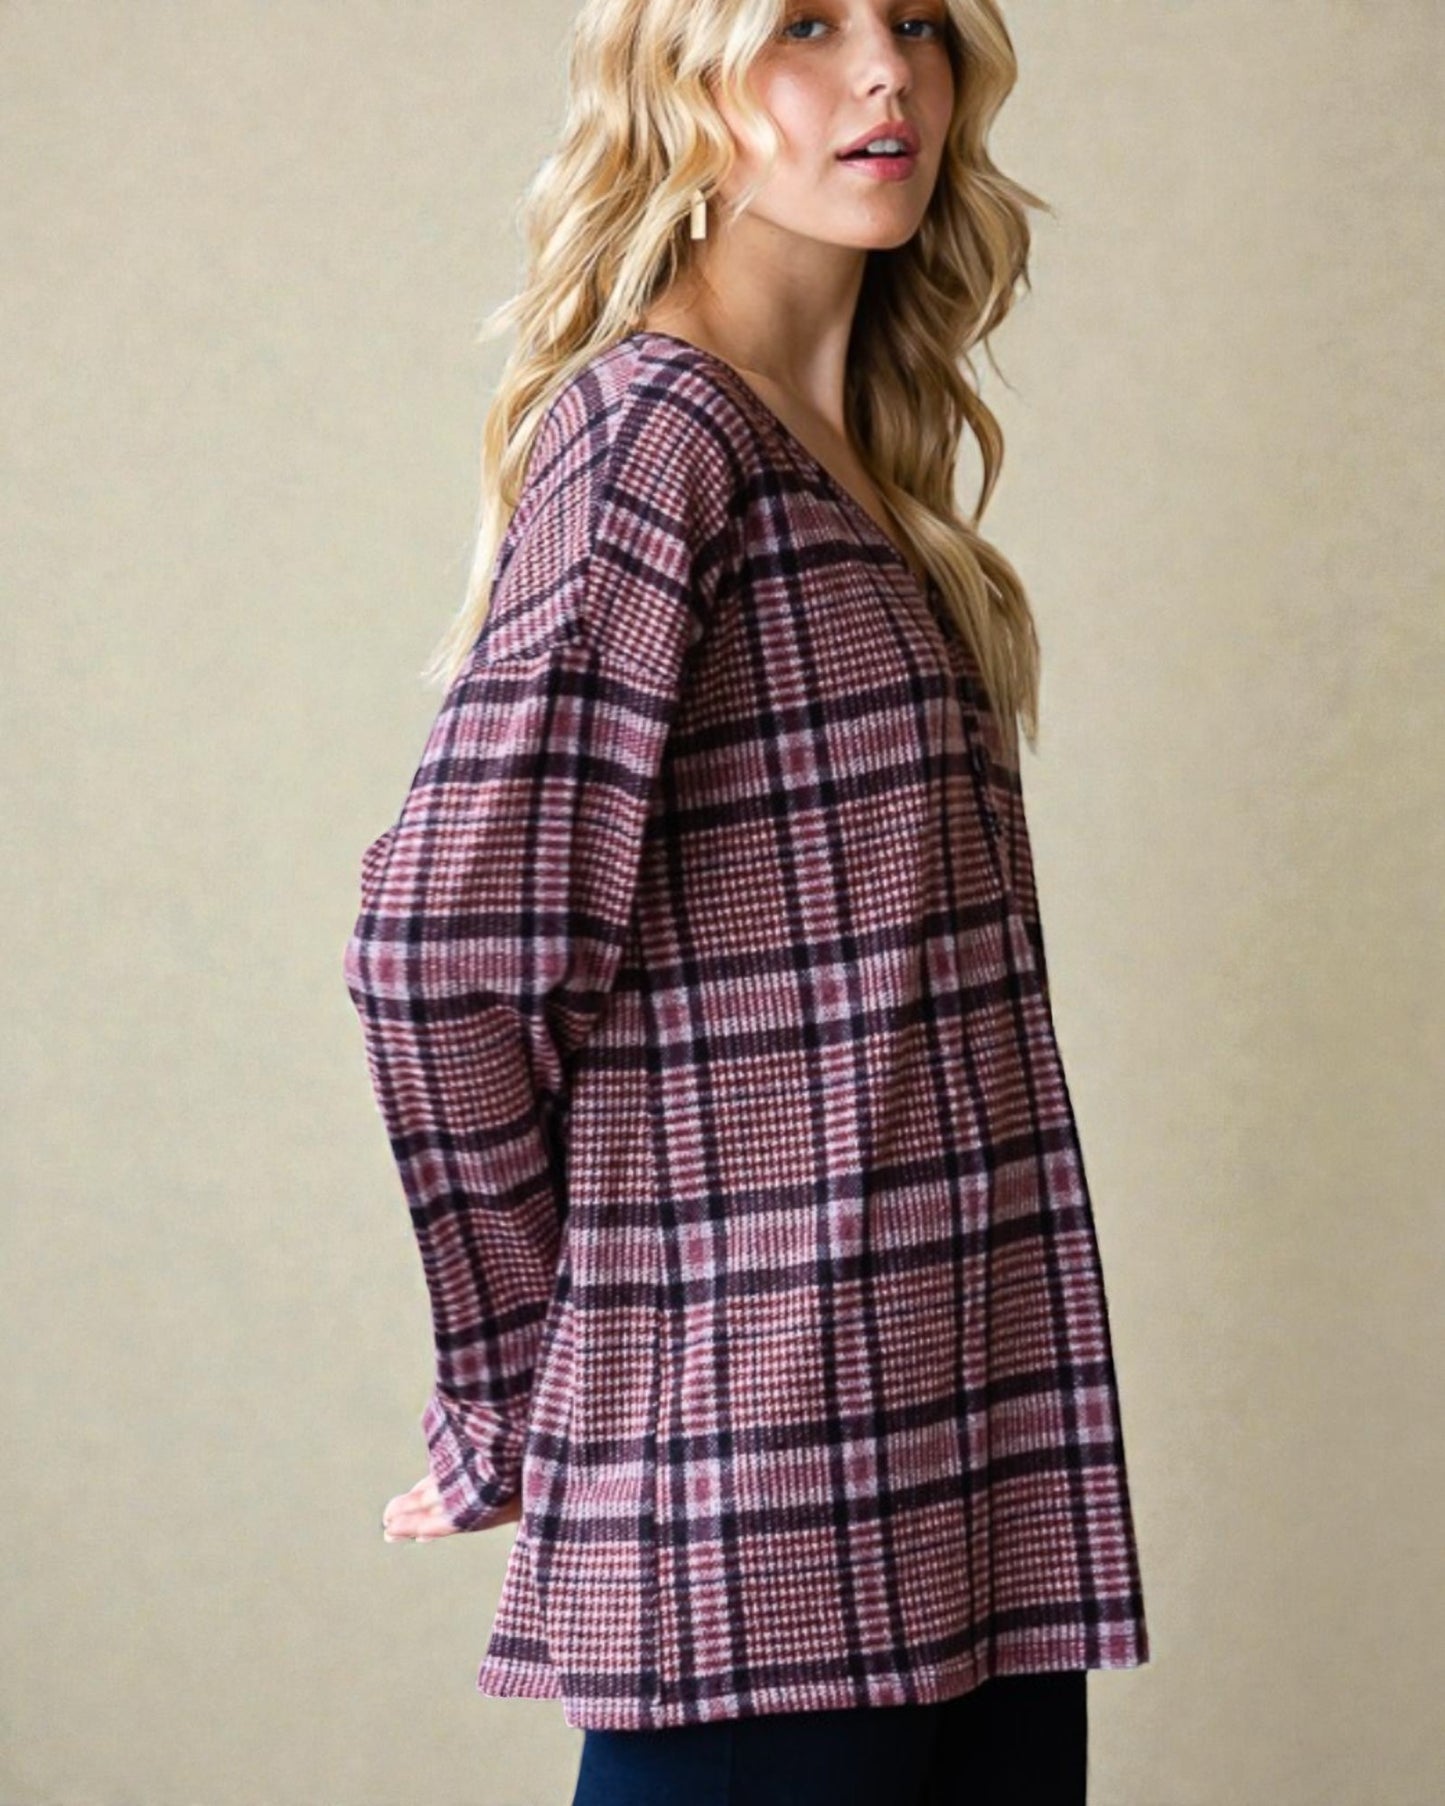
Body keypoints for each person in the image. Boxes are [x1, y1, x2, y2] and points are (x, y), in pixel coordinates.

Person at [344, 0, 1150, 1799]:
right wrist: (510, 1380)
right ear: (682, 83)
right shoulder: (655, 440)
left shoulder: (854, 465)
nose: (886, 75)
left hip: (961, 1500)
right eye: (805, 25)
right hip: (768, 1507)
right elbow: (441, 951)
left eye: (919, 25)